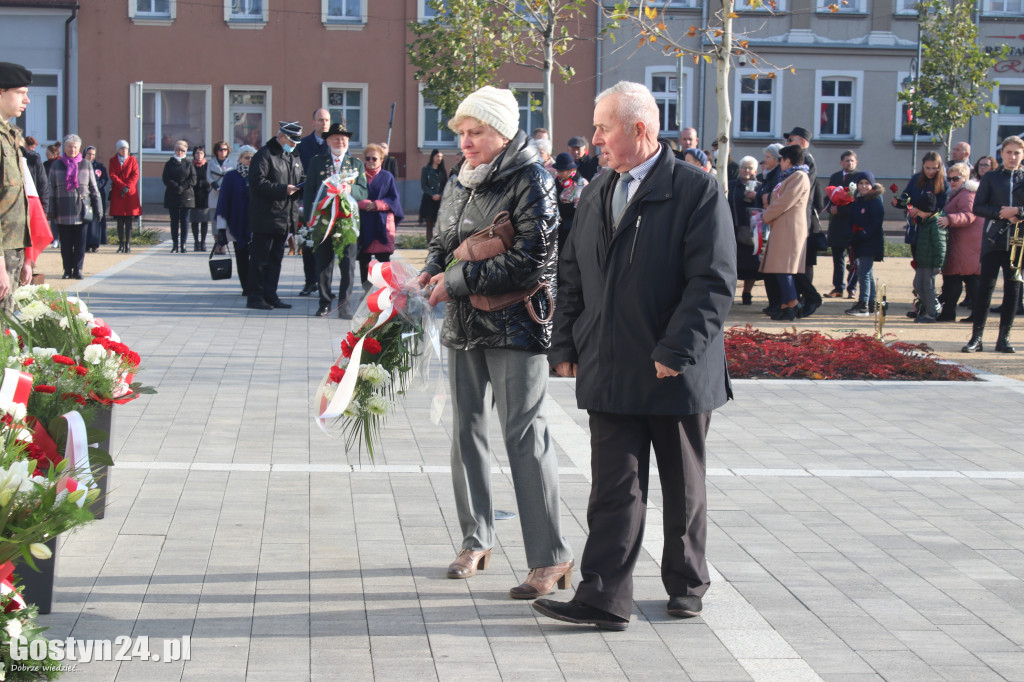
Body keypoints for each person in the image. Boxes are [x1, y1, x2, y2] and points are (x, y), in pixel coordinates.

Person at [536, 80, 735, 631]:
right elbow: (573, 273)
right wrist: (567, 344)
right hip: (612, 366)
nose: (594, 138)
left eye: (603, 128)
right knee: (614, 489)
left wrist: (678, 350)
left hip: (675, 371)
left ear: (639, 130)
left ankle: (687, 583)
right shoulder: (600, 189)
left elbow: (713, 282)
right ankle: (603, 597)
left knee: (682, 485)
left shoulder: (696, 191)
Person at [415, 86, 573, 600]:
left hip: (517, 325)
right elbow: (441, 243)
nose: (465, 142)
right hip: (464, 324)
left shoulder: (532, 179)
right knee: (466, 433)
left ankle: (549, 557)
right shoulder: (460, 179)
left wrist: (456, 281)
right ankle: (475, 539)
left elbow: (532, 258)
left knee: (525, 436)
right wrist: (429, 274)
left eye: (475, 132)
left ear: (502, 132)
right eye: (461, 133)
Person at [963, 135, 1024, 353]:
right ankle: (976, 338)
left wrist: (1018, 211)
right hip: (993, 239)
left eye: (1017, 152)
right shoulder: (991, 178)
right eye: (1009, 152)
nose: (1012, 156)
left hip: (1019, 242)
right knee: (985, 289)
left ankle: (1004, 338)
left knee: (1012, 290)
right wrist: (1001, 214)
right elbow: (978, 207)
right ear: (1002, 153)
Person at [301, 122, 367, 317]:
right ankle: (324, 303)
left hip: (346, 221)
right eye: (336, 138)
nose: (340, 142)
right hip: (323, 218)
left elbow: (363, 191)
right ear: (328, 140)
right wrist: (308, 217)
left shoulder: (355, 165)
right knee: (323, 263)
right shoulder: (317, 162)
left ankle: (344, 307)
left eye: (344, 139)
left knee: (348, 264)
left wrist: (350, 189)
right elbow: (310, 191)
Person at [247, 121, 305, 311]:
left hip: (285, 217)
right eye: (292, 141)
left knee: (275, 260)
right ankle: (255, 297)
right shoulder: (264, 155)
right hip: (266, 217)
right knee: (260, 260)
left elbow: (301, 177)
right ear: (281, 137)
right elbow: (257, 183)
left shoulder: (293, 156)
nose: (295, 145)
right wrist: (283, 190)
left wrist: (304, 185)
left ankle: (270, 295)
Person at [759, 144, 811, 321]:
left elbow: (785, 202)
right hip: (782, 226)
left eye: (781, 159)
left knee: (784, 268)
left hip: (790, 228)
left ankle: (793, 303)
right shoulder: (789, 176)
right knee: (778, 268)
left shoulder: (799, 176)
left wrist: (766, 215)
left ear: (788, 160)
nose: (780, 162)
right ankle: (784, 304)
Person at [0, 62, 34, 310]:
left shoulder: (10, 135)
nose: (27, 100)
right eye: (21, 93)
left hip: (12, 250)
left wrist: (24, 258)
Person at [46, 133, 102, 279]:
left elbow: (94, 189)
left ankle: (78, 269)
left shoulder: (86, 164)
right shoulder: (56, 165)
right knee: (65, 244)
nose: (72, 149)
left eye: (75, 147)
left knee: (80, 244)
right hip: (62, 210)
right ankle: (67, 270)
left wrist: (99, 209)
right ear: (64, 148)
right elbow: (50, 189)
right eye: (70, 147)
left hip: (81, 211)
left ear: (79, 148)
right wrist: (50, 210)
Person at [936, 162, 982, 323]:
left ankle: (950, 313)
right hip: (963, 242)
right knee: (967, 278)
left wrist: (949, 219)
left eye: (956, 178)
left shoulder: (968, 193)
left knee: (956, 278)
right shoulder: (959, 193)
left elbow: (969, 215)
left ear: (966, 178)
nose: (952, 181)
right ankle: (971, 313)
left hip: (966, 243)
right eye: (949, 178)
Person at [356, 143, 404, 288]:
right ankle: (366, 294)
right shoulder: (358, 176)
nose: (370, 161)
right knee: (364, 261)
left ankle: (386, 293)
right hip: (363, 225)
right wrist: (364, 204)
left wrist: (377, 204)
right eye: (368, 158)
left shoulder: (387, 177)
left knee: (383, 262)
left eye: (374, 159)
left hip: (382, 226)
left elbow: (394, 199)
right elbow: (352, 196)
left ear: (381, 160)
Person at [215, 145, 256, 296]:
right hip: (237, 223)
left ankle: (255, 285)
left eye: (252, 158)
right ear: (239, 159)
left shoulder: (258, 174)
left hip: (256, 223)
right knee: (242, 256)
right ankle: (245, 286)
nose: (250, 161)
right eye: (247, 158)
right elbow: (223, 202)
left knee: (256, 257)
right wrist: (221, 228)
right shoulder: (231, 177)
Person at [844, 172, 885, 316]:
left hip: (870, 241)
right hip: (858, 240)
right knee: (867, 272)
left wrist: (863, 234)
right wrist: (850, 233)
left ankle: (863, 304)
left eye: (867, 183)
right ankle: (872, 302)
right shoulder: (857, 201)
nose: (863, 186)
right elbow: (851, 220)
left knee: (864, 274)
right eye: (861, 183)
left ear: (872, 185)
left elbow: (876, 223)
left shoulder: (875, 201)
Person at [895, 151, 949, 249]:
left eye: (934, 168)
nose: (930, 171)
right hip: (915, 226)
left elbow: (943, 205)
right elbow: (906, 197)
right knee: (917, 260)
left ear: (939, 167)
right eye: (927, 168)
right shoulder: (916, 179)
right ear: (923, 165)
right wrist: (898, 202)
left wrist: (928, 214)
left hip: (933, 228)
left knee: (931, 259)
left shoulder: (944, 183)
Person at [907, 193, 946, 323]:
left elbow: (940, 246)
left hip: (931, 263)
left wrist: (938, 264)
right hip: (922, 261)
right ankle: (930, 307)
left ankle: (931, 313)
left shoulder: (935, 223)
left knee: (928, 287)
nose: (916, 212)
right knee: (918, 285)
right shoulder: (925, 221)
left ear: (926, 210)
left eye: (919, 210)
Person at [825, 150, 858, 299]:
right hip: (836, 224)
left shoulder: (859, 178)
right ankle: (838, 287)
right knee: (837, 257)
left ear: (856, 163)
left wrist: (841, 209)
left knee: (853, 259)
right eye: (846, 161)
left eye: (851, 161)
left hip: (851, 223)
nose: (849, 163)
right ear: (841, 162)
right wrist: (830, 208)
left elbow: (857, 201)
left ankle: (852, 288)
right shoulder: (835, 177)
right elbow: (829, 196)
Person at [730, 156, 762, 305]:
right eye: (744, 167)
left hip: (753, 232)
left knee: (752, 266)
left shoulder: (760, 187)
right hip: (734, 230)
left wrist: (757, 196)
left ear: (755, 171)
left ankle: (747, 293)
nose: (746, 171)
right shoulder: (731, 186)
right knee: (733, 265)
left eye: (750, 168)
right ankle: (731, 293)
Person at [162, 139, 195, 253]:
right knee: (174, 221)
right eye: (177, 150)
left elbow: (193, 179)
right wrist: (176, 187)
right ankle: (175, 244)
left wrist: (183, 187)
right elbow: (166, 178)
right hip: (173, 194)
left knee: (185, 221)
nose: (179, 152)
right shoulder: (169, 163)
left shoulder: (189, 164)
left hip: (186, 195)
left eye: (182, 150)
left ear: (185, 151)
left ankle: (183, 244)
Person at [108, 140, 141, 253]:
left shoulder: (133, 160)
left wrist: (128, 187)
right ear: (118, 150)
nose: (124, 150)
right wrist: (122, 186)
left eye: (126, 148)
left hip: (130, 193)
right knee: (120, 220)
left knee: (129, 220)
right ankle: (120, 244)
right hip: (118, 193)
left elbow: (135, 175)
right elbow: (112, 175)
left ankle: (128, 244)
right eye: (122, 148)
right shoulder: (113, 161)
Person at [552, 151, 587, 255]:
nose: (558, 173)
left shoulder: (580, 183)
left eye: (561, 170)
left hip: (576, 226)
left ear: (570, 170)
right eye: (557, 170)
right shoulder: (557, 181)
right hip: (561, 226)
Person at [207, 141, 234, 252]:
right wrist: (217, 188)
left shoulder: (232, 163)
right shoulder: (211, 163)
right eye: (220, 150)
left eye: (224, 149)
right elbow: (209, 177)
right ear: (216, 151)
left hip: (227, 195)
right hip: (215, 194)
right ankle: (217, 244)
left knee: (225, 221)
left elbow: (234, 178)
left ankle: (223, 245)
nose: (222, 152)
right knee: (215, 221)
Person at [83, 146, 109, 252]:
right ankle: (85, 243)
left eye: (93, 154)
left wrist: (96, 186)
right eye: (89, 154)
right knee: (86, 218)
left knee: (96, 219)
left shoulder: (99, 166)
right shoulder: (81, 165)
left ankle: (95, 243)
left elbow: (104, 179)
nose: (91, 156)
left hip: (97, 196)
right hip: (86, 195)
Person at [419, 149, 446, 243]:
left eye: (441, 157)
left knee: (439, 223)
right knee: (429, 223)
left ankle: (438, 244)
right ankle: (429, 244)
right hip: (428, 199)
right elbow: (424, 185)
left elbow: (445, 186)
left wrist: (440, 195)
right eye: (438, 156)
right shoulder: (426, 170)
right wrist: (432, 194)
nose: (439, 159)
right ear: (433, 157)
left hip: (440, 200)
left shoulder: (442, 171)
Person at [189, 146, 212, 251]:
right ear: (194, 154)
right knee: (194, 221)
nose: (199, 155)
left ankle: (203, 243)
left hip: (205, 196)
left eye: (201, 153)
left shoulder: (207, 166)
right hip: (193, 195)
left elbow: (211, 179)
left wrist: (205, 183)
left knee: (204, 220)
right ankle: (196, 242)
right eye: (197, 153)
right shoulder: (190, 166)